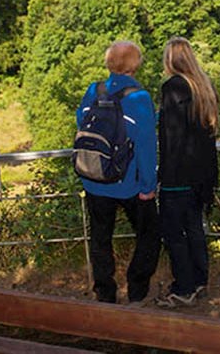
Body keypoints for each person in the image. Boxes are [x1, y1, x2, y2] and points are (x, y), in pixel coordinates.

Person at [76, 40, 160, 304]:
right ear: (135, 65)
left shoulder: (94, 90)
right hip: (130, 183)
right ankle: (137, 289)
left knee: (100, 236)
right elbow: (146, 145)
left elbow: (82, 123)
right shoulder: (139, 98)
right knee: (149, 234)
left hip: (95, 179)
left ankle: (105, 292)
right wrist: (149, 185)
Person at [155, 37, 219, 308]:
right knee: (194, 228)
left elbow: (171, 137)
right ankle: (199, 279)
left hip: (178, 175)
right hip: (201, 175)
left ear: (171, 60)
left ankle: (184, 286)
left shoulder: (172, 88)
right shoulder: (204, 88)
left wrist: (163, 176)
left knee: (173, 233)